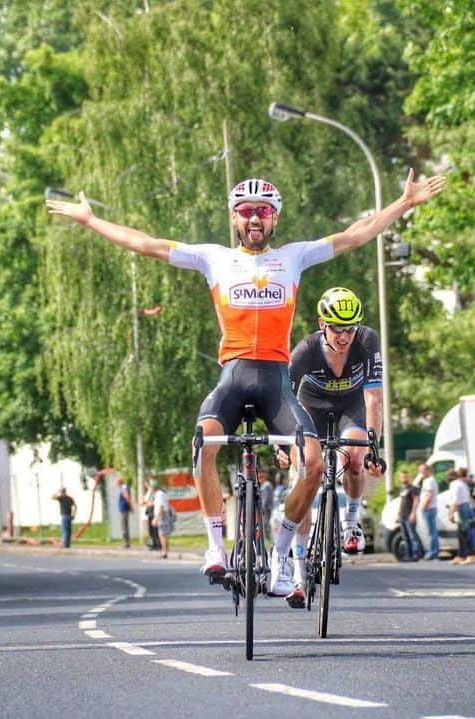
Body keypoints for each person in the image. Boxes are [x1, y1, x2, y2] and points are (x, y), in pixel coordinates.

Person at [48, 170, 446, 596]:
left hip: (276, 381)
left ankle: (279, 558)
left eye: (263, 212)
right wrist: (91, 221)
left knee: (312, 463)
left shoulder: (293, 257)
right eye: (245, 211)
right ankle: (216, 547)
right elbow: (147, 244)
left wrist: (403, 204)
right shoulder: (213, 258)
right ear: (234, 219)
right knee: (203, 442)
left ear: (275, 219)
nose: (254, 218)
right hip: (233, 377)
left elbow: (354, 235)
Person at [288, 287, 385, 557]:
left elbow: (374, 399)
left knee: (355, 458)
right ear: (322, 325)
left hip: (350, 406)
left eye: (350, 329)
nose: (344, 337)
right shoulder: (306, 349)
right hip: (312, 408)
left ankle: (351, 524)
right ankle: (296, 548)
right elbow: (285, 401)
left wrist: (373, 449)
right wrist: (283, 446)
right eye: (336, 329)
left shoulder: (367, 340)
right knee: (304, 472)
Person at [397, 471, 423, 561]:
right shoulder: (402, 489)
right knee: (405, 536)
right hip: (402, 516)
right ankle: (408, 555)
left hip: (409, 515)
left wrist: (413, 513)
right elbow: (401, 502)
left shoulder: (413, 488)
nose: (404, 478)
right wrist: (398, 514)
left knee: (412, 536)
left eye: (405, 477)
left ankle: (416, 554)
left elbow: (416, 501)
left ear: (409, 478)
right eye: (402, 477)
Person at [419, 467, 440, 560]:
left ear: (428, 470)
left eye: (422, 470)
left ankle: (433, 552)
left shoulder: (429, 481)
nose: (420, 472)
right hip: (430, 508)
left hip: (429, 509)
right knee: (431, 531)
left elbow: (429, 495)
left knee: (432, 532)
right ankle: (433, 551)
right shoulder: (427, 480)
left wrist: (423, 507)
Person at [151, 479, 172, 558]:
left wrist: (156, 518)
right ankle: (165, 551)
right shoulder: (160, 494)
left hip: (162, 516)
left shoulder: (159, 495)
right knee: (164, 534)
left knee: (162, 535)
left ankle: (164, 552)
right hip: (163, 515)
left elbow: (161, 507)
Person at [116, 477, 134, 549]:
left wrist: (131, 507)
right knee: (125, 526)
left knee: (124, 527)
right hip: (125, 509)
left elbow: (127, 497)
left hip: (124, 509)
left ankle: (126, 543)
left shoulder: (123, 488)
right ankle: (127, 542)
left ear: (119, 482)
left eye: (117, 483)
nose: (117, 484)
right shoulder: (125, 487)